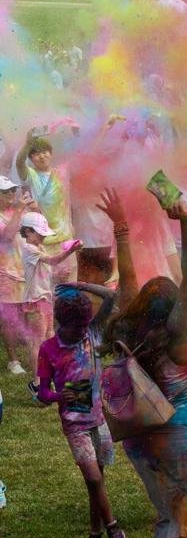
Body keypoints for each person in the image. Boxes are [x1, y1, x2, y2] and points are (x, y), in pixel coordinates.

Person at [97, 187, 187, 538]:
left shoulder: (129, 328)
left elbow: (127, 279)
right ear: (175, 309)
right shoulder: (177, 342)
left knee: (166, 518)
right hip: (176, 444)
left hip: (139, 442)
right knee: (185, 532)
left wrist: (121, 228)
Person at [35, 284, 130, 538]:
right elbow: (42, 393)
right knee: (93, 477)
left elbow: (111, 296)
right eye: (76, 327)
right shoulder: (49, 349)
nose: (81, 331)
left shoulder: (93, 332)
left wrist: (77, 286)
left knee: (96, 483)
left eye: (84, 325)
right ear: (61, 323)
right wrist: (58, 395)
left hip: (98, 418)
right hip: (75, 423)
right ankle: (113, 529)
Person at [20, 211, 83, 397]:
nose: (43, 237)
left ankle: (49, 378)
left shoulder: (38, 247)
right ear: (28, 231)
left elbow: (46, 270)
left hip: (45, 299)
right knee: (38, 342)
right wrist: (70, 251)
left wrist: (58, 275)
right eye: (39, 233)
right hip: (35, 300)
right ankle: (38, 383)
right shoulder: (29, 248)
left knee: (49, 338)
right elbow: (52, 260)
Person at [15, 132, 75, 282]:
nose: (42, 156)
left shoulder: (63, 172)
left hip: (65, 239)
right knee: (47, 287)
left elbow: (84, 154)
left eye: (45, 152)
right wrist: (28, 144)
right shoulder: (31, 175)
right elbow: (19, 163)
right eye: (36, 154)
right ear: (31, 158)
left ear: (51, 153)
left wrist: (76, 133)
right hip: (42, 242)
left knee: (70, 286)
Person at [0, 177, 34, 375]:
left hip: (26, 272)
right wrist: (21, 209)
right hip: (6, 275)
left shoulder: (20, 212)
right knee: (10, 319)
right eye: (5, 192)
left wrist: (35, 211)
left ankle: (33, 356)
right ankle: (13, 361)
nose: (12, 194)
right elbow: (7, 237)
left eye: (13, 190)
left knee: (29, 316)